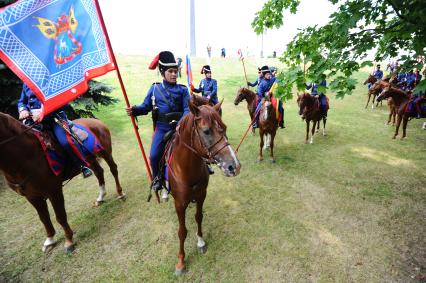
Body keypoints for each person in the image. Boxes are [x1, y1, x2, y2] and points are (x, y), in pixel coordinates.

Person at [125, 51, 190, 193]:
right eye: (170, 71)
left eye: (175, 71)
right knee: (154, 155)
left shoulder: (183, 90)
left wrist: (182, 123)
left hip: (181, 127)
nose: (174, 74)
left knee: (197, 146)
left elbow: (187, 109)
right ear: (163, 72)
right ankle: (157, 178)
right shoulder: (155, 89)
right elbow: (146, 107)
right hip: (162, 128)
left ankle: (204, 166)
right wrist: (134, 110)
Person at [17, 84, 93, 178]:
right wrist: (22, 110)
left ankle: (83, 166)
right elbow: (22, 101)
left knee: (65, 142)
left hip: (54, 118)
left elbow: (62, 102)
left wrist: (43, 113)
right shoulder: (27, 82)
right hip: (33, 121)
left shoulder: (52, 80)